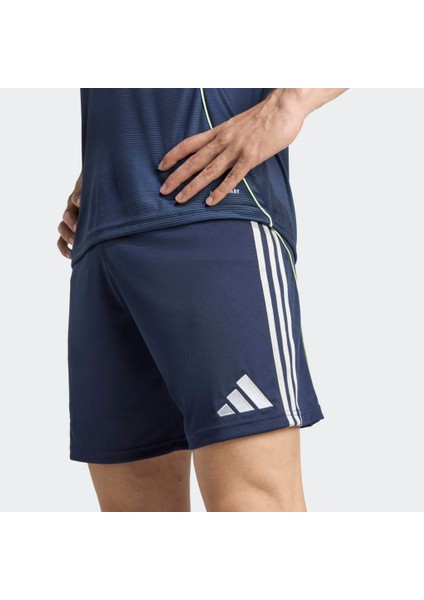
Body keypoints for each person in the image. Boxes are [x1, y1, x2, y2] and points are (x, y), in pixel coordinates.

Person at [58, 88, 347, 512]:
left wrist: (290, 102)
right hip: (103, 231)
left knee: (252, 503)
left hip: (214, 214)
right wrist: (109, 165)